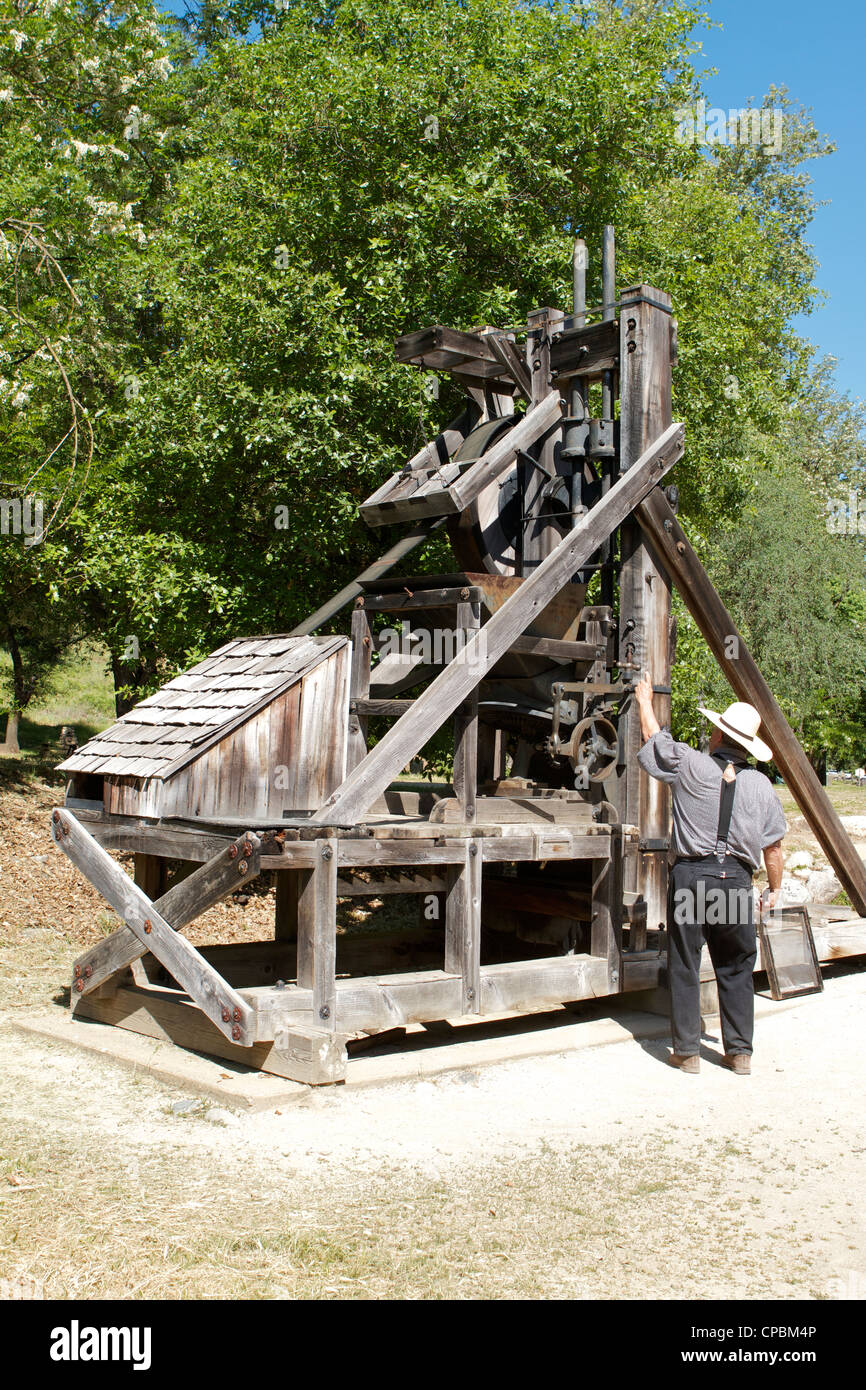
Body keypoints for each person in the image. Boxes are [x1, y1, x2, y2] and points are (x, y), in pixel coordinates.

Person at [633, 673, 786, 1076]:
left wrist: (644, 700)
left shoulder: (691, 764)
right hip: (736, 881)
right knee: (736, 966)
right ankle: (739, 1054)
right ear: (748, 746)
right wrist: (773, 889)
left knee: (685, 962)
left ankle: (686, 1052)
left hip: (692, 877)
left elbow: (654, 740)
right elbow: (773, 849)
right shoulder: (763, 787)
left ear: (718, 736)